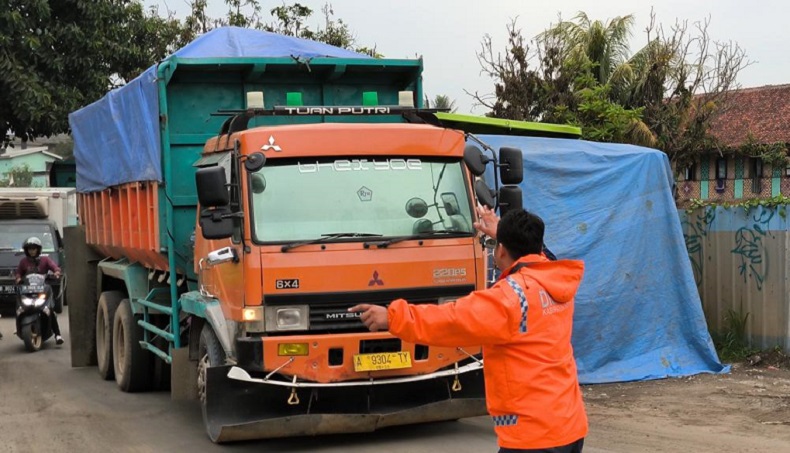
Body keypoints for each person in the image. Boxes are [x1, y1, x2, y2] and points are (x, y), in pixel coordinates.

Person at [350, 207, 587, 452]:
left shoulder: (511, 297)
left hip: (534, 435)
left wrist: (391, 316)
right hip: (569, 424)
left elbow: (450, 320)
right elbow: (538, 255)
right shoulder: (554, 279)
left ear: (502, 250)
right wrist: (501, 234)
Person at [15, 237, 64, 345]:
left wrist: (56, 272)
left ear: (38, 249)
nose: (32, 251)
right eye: (29, 249)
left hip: (43, 289)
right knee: (19, 308)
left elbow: (55, 267)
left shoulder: (45, 260)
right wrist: (18, 278)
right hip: (27, 290)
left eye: (34, 248)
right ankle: (19, 328)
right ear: (26, 250)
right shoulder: (23, 262)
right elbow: (18, 272)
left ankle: (58, 334)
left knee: (49, 309)